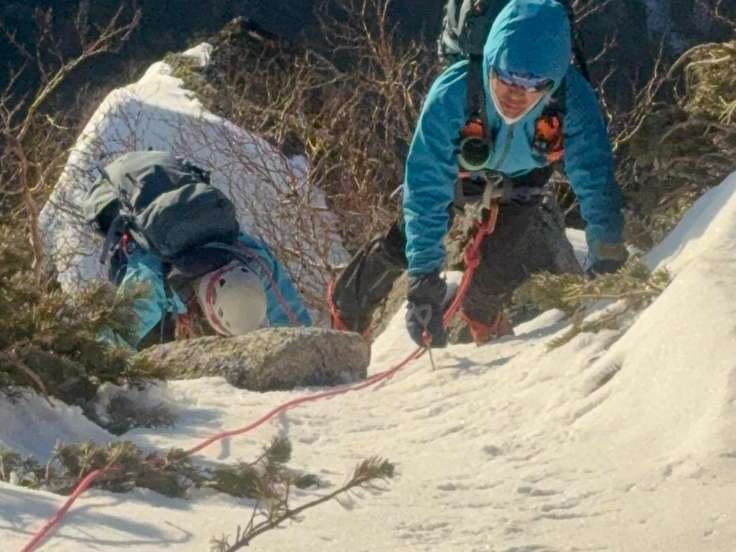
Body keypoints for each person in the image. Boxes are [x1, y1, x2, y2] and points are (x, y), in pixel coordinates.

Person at [329, 0, 627, 347]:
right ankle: (349, 303)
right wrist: (423, 279)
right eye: (505, 79)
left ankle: (480, 312)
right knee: (405, 244)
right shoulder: (454, 91)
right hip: (464, 169)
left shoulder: (573, 98)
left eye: (533, 85)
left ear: (554, 80)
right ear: (489, 62)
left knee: (504, 256)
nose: (516, 94)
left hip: (524, 173)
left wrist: (607, 252)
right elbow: (426, 188)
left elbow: (595, 177)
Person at [84, 149, 312, 350]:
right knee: (152, 329)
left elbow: (294, 322)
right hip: (113, 191)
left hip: (165, 171)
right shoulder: (152, 276)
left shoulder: (252, 259)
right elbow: (117, 336)